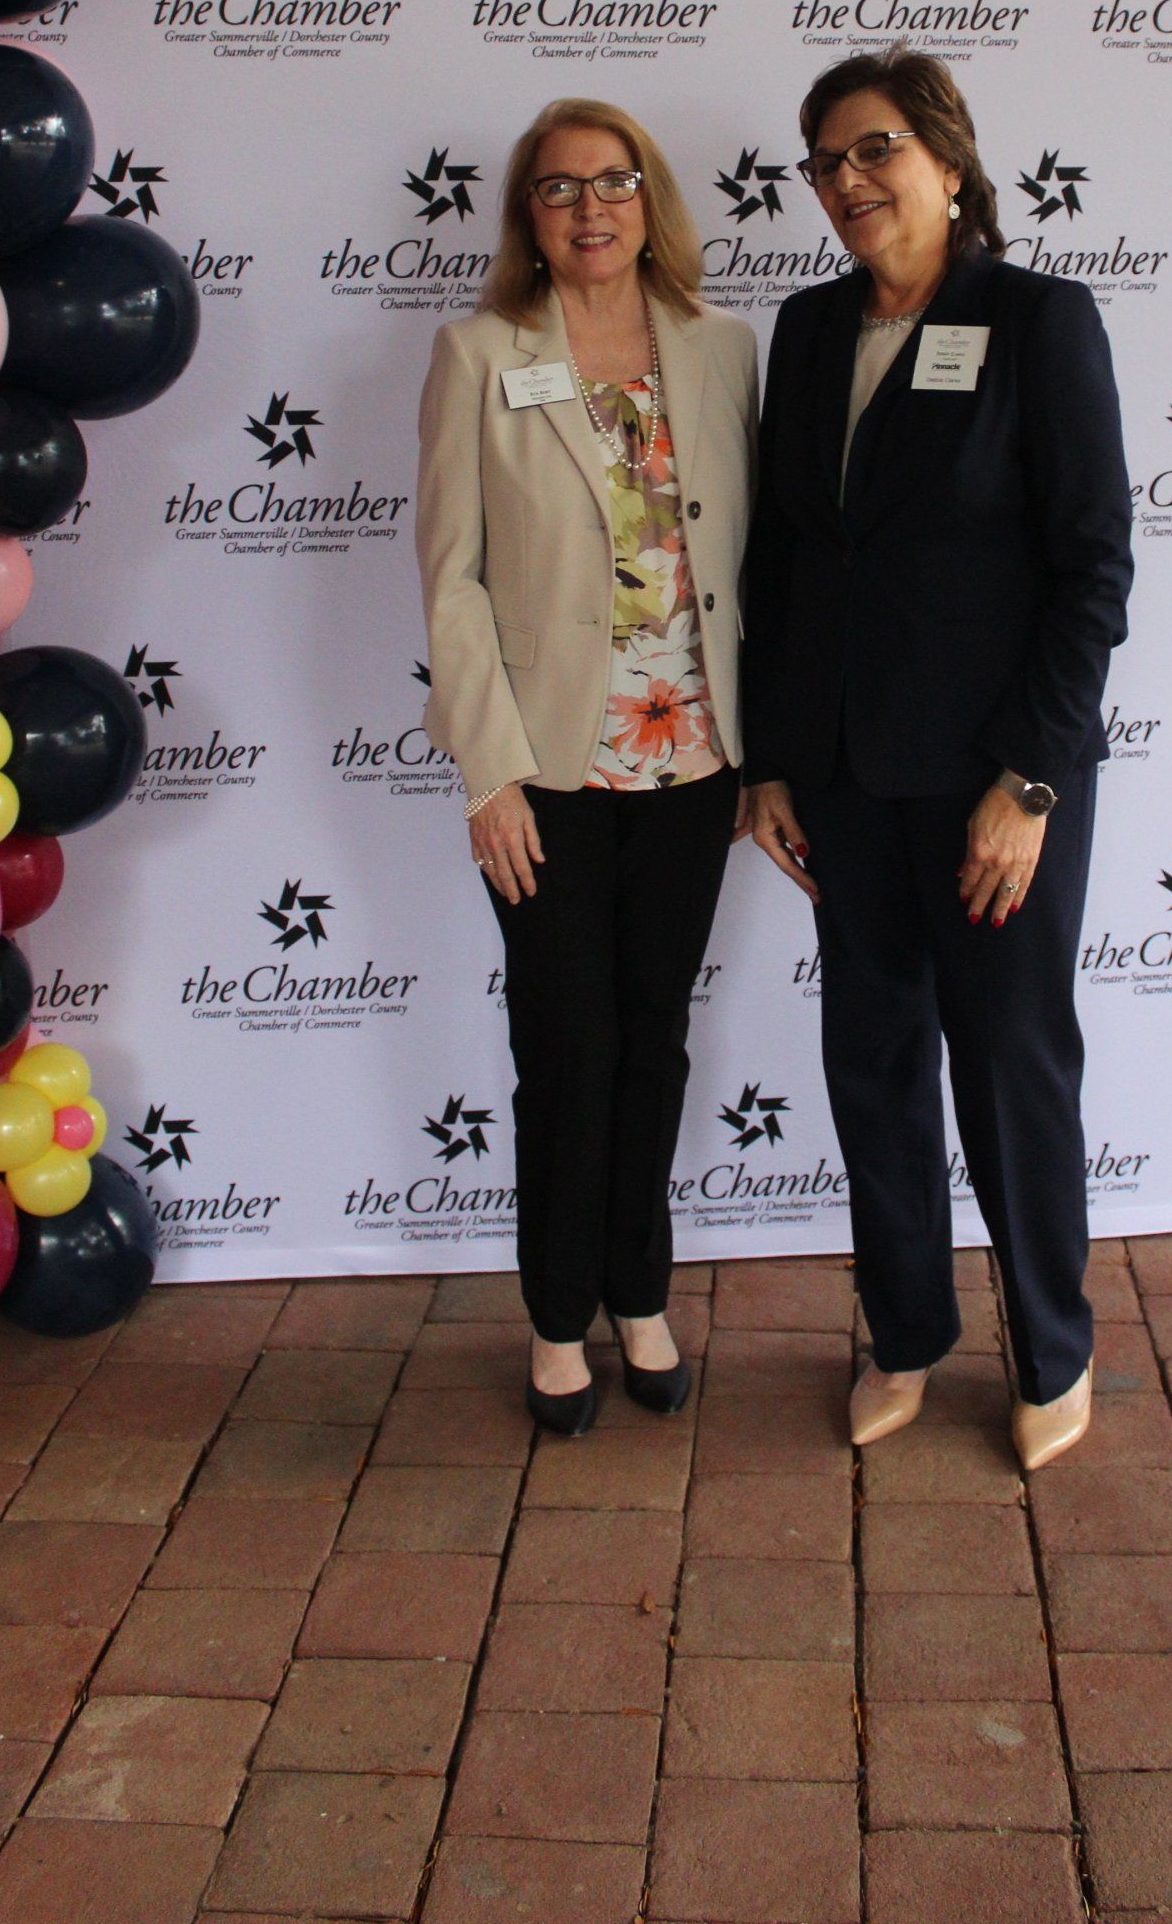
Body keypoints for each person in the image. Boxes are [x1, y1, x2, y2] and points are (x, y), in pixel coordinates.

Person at [744, 49, 1133, 1474]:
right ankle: (904, 1334)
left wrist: (1029, 783)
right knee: (875, 1067)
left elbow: (1092, 573)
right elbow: (783, 564)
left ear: (950, 166)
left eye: (876, 150)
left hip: (997, 788)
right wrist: (770, 765)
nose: (847, 181)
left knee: (1012, 1071)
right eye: (825, 162)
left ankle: (1051, 1352)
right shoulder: (806, 330)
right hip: (847, 784)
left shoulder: (1037, 321)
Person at [416, 99, 757, 1434]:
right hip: (546, 774)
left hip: (695, 763)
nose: (589, 208)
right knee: (566, 1047)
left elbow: (751, 562)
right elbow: (453, 579)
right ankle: (559, 1318)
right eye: (558, 190)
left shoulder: (722, 348)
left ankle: (640, 1296)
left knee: (654, 1041)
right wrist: (487, 774)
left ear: (649, 201)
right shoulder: (478, 352)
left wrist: (768, 758)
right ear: (529, 218)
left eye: (613, 182)